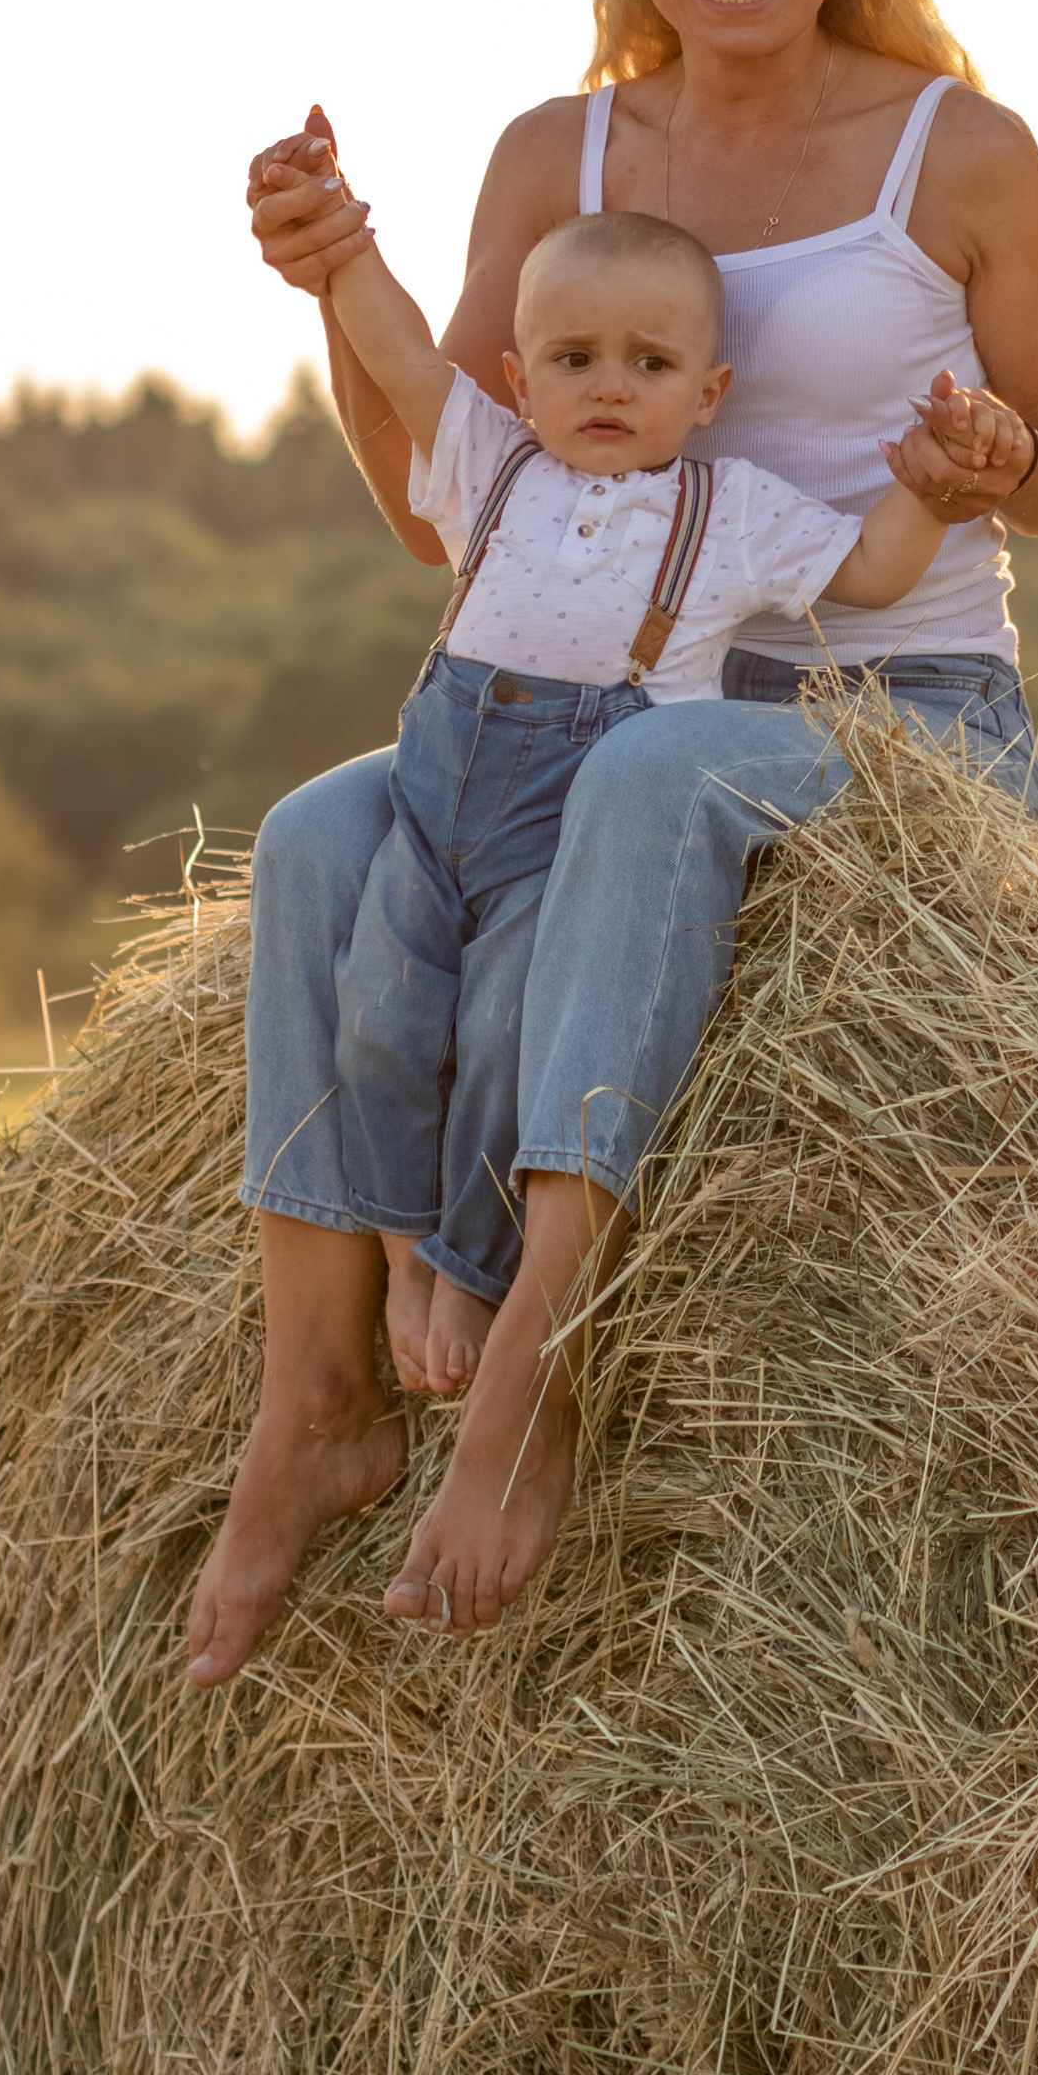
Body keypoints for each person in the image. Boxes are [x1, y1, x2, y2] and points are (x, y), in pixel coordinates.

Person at [184, 0, 1038, 1688]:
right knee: (322, 830)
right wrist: (331, 283)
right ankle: (312, 1396)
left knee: (656, 777)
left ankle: (531, 1361)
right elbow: (453, 511)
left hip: (901, 720)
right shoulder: (555, 152)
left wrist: (991, 469)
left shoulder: (964, 149)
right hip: (608, 706)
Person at [302, 194, 960, 1397]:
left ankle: (470, 1271)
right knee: (380, 1019)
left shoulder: (730, 513)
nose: (609, 387)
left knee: (501, 1036)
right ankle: (400, 1254)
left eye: (648, 365)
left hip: (558, 842)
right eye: (573, 360)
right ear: (519, 375)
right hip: (434, 808)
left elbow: (870, 570)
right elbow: (396, 348)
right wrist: (343, 250)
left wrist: (932, 487)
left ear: (706, 393)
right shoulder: (488, 460)